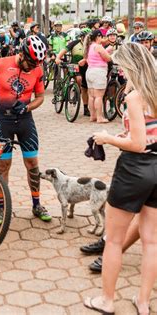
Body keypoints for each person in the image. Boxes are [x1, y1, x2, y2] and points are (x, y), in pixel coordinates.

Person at [83, 42, 157, 315]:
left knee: (113, 240)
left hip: (135, 169)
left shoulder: (135, 97)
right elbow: (148, 135)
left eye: (123, 67)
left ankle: (107, 300)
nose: (121, 72)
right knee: (152, 241)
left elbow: (138, 144)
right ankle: (143, 301)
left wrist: (108, 139)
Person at [0, 35, 52, 225]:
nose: (33, 67)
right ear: (22, 54)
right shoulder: (1, 64)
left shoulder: (37, 70)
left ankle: (37, 204)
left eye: (36, 64)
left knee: (32, 163)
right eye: (31, 63)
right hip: (3, 122)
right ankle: (2, 207)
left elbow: (40, 97)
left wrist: (27, 107)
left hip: (25, 121)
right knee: (3, 166)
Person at [56, 28, 92, 116]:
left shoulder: (91, 45)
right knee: (79, 79)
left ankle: (85, 108)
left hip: (86, 67)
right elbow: (64, 50)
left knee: (85, 88)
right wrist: (58, 58)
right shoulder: (75, 43)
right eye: (86, 37)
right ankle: (76, 90)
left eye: (89, 37)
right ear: (82, 36)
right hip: (75, 66)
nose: (88, 39)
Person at [81, 29, 112, 123]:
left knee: (91, 96)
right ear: (98, 37)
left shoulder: (89, 46)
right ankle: (99, 117)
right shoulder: (98, 47)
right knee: (99, 96)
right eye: (101, 37)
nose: (102, 39)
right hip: (99, 72)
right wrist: (108, 51)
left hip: (89, 72)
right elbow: (107, 58)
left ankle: (92, 116)